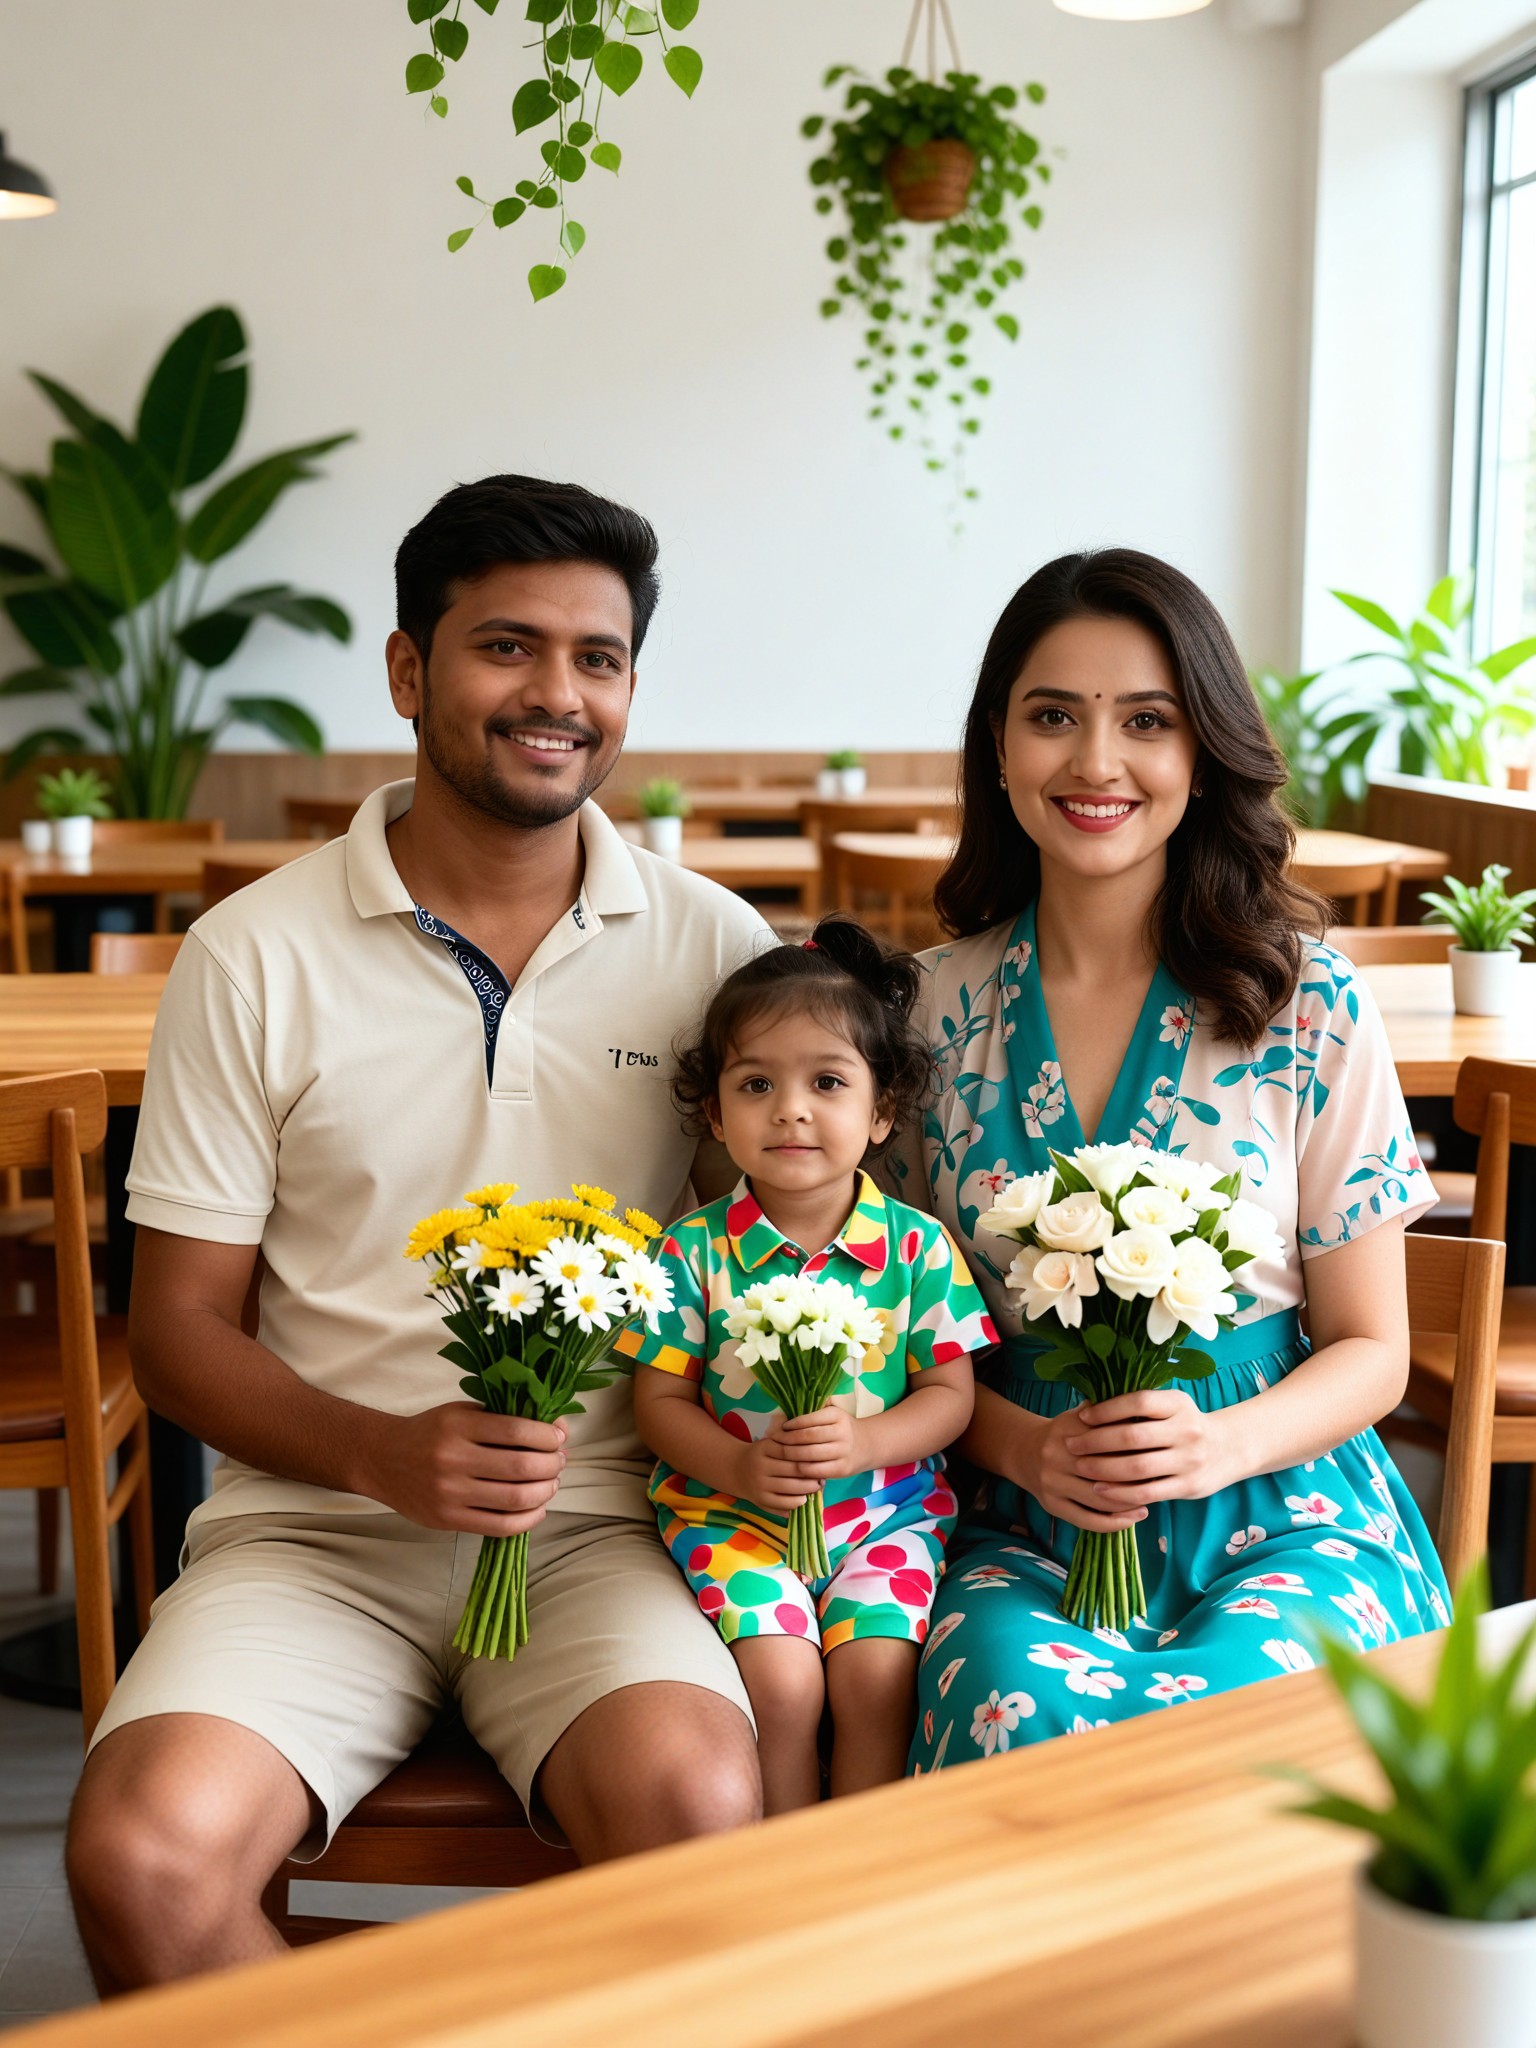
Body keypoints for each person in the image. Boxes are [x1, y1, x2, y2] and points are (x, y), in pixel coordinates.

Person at [66, 476, 772, 1993]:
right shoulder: (248, 953)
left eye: (599, 659)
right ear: (409, 671)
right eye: (507, 647)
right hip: (316, 1533)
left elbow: (779, 1254)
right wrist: (382, 1455)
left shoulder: (719, 950)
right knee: (143, 1858)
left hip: (606, 1529)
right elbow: (175, 1333)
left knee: (710, 1818)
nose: (557, 695)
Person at [896, 548, 1450, 1774]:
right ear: (999, 746)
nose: (1097, 763)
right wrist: (1022, 1447)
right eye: (1053, 717)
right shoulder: (924, 1012)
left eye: (1147, 721)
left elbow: (1374, 1350)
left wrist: (1220, 1445)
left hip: (1286, 1507)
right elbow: (898, 1334)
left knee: (1240, 1723)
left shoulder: (1309, 1003)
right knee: (1015, 1706)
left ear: (1201, 753)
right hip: (1017, 1511)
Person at [619, 919, 996, 1813]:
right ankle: (786, 1864)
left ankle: (856, 1874)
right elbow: (661, 1403)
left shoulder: (915, 1248)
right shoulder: (693, 1253)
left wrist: (867, 1442)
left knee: (874, 1681)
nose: (791, 1109)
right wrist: (740, 1465)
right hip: (731, 1513)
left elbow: (951, 1396)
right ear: (715, 1113)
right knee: (783, 1688)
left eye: (827, 1082)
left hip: (885, 1518)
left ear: (881, 1112)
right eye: (756, 1084)